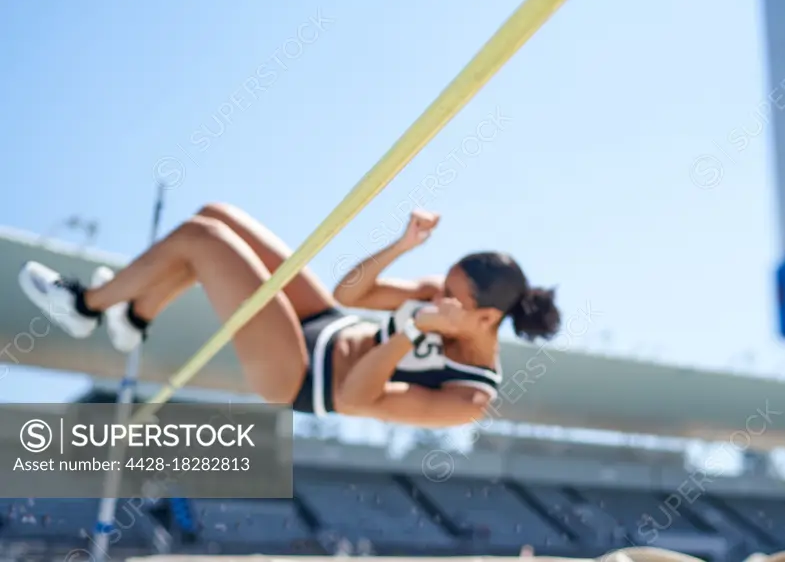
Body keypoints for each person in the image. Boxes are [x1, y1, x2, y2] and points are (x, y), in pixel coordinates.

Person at [18, 204, 561, 427]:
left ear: (487, 319)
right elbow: (352, 294)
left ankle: (86, 307)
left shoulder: (469, 398)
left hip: (303, 376)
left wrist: (412, 328)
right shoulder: (438, 294)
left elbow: (354, 399)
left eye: (452, 298)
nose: (437, 295)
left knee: (204, 242)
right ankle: (136, 317)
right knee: (216, 216)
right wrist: (401, 245)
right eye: (441, 285)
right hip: (326, 322)